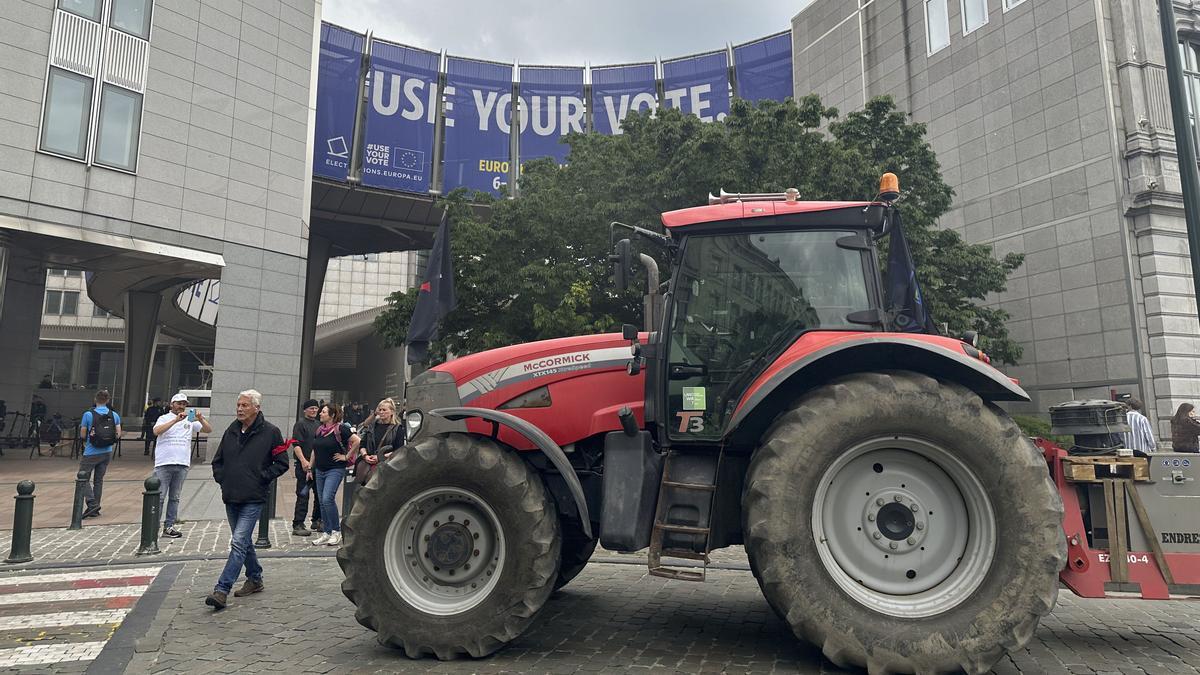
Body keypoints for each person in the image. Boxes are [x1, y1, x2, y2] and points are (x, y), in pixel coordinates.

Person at [206, 389, 289, 610]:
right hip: (231, 495)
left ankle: (221, 589)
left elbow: (282, 462)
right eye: (238, 405)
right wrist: (221, 478)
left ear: (256, 408)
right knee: (243, 542)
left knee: (238, 542)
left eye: (244, 405)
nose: (240, 409)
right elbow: (219, 460)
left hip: (253, 497)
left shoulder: (272, 432)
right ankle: (255, 578)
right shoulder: (231, 430)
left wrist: (261, 478)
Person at [153, 393, 212, 538]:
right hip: (164, 463)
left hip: (182, 463)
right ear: (172, 404)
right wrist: (174, 421)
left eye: (184, 404)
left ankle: (169, 526)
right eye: (179, 403)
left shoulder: (189, 419)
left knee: (175, 497)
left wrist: (201, 418)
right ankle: (153, 527)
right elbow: (156, 431)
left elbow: (208, 430)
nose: (182, 406)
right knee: (159, 497)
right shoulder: (164, 418)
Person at [308, 403, 359, 547]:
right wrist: (310, 468)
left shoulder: (341, 429)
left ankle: (336, 531)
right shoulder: (319, 430)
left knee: (327, 498)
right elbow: (314, 450)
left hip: (335, 469)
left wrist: (346, 456)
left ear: (332, 415)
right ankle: (327, 532)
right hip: (320, 469)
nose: (320, 414)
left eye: (323, 412)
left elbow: (357, 441)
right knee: (322, 502)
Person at [78, 391, 122, 519]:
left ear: (95, 399)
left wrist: (86, 441)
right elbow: (118, 434)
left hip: (91, 451)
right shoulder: (114, 415)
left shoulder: (88, 414)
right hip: (106, 451)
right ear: (108, 400)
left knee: (83, 478)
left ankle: (92, 503)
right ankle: (95, 507)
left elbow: (82, 433)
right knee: (99, 480)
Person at [290, 399, 322, 536]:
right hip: (304, 466)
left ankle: (316, 520)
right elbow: (295, 444)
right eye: (311, 408)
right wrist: (303, 461)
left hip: (317, 465)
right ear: (305, 410)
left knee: (319, 494)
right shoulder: (300, 424)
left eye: (316, 408)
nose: (314, 410)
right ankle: (298, 523)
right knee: (303, 494)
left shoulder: (319, 424)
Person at [352, 397, 401, 486]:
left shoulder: (398, 429)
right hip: (366, 462)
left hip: (386, 465)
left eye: (384, 410)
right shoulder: (372, 426)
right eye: (380, 409)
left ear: (392, 412)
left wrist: (379, 457)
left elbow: (399, 450)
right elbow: (362, 444)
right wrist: (365, 455)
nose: (381, 412)